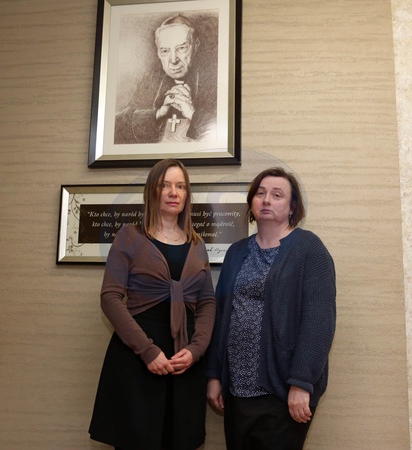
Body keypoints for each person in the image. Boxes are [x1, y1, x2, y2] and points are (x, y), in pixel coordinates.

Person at [89, 159, 216, 450]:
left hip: (184, 361)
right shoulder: (129, 237)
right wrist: (147, 351)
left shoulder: (197, 245)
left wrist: (196, 350)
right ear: (152, 191)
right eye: (165, 185)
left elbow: (207, 301)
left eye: (180, 186)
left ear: (187, 195)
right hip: (138, 358)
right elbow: (110, 298)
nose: (173, 192)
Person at [206, 167, 336, 450]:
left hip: (283, 390)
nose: (266, 200)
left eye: (277, 195)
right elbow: (221, 316)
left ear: (292, 207)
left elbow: (319, 322)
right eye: (261, 193)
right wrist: (215, 375)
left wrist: (301, 382)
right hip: (237, 389)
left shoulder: (309, 249)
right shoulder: (236, 251)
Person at [114, 13, 217, 144]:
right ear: (158, 52)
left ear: (195, 46)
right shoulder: (151, 81)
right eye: (165, 51)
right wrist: (157, 114)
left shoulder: (213, 82)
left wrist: (192, 114)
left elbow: (223, 131)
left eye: (181, 48)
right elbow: (116, 128)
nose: (173, 60)